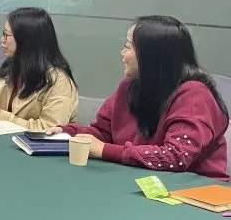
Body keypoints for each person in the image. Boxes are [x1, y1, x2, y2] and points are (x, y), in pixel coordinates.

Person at [52, 16, 229, 178]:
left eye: (128, 46)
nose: (122, 53)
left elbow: (176, 157)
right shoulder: (129, 86)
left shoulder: (193, 95)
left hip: (193, 192)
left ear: (151, 56)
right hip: (139, 180)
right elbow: (103, 132)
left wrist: (105, 150)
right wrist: (67, 133)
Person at [0, 7, 78, 130]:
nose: (2, 40)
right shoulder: (10, 68)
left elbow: (50, 130)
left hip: (33, 143)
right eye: (3, 33)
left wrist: (1, 117)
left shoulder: (59, 82)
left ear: (26, 40)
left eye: (6, 34)